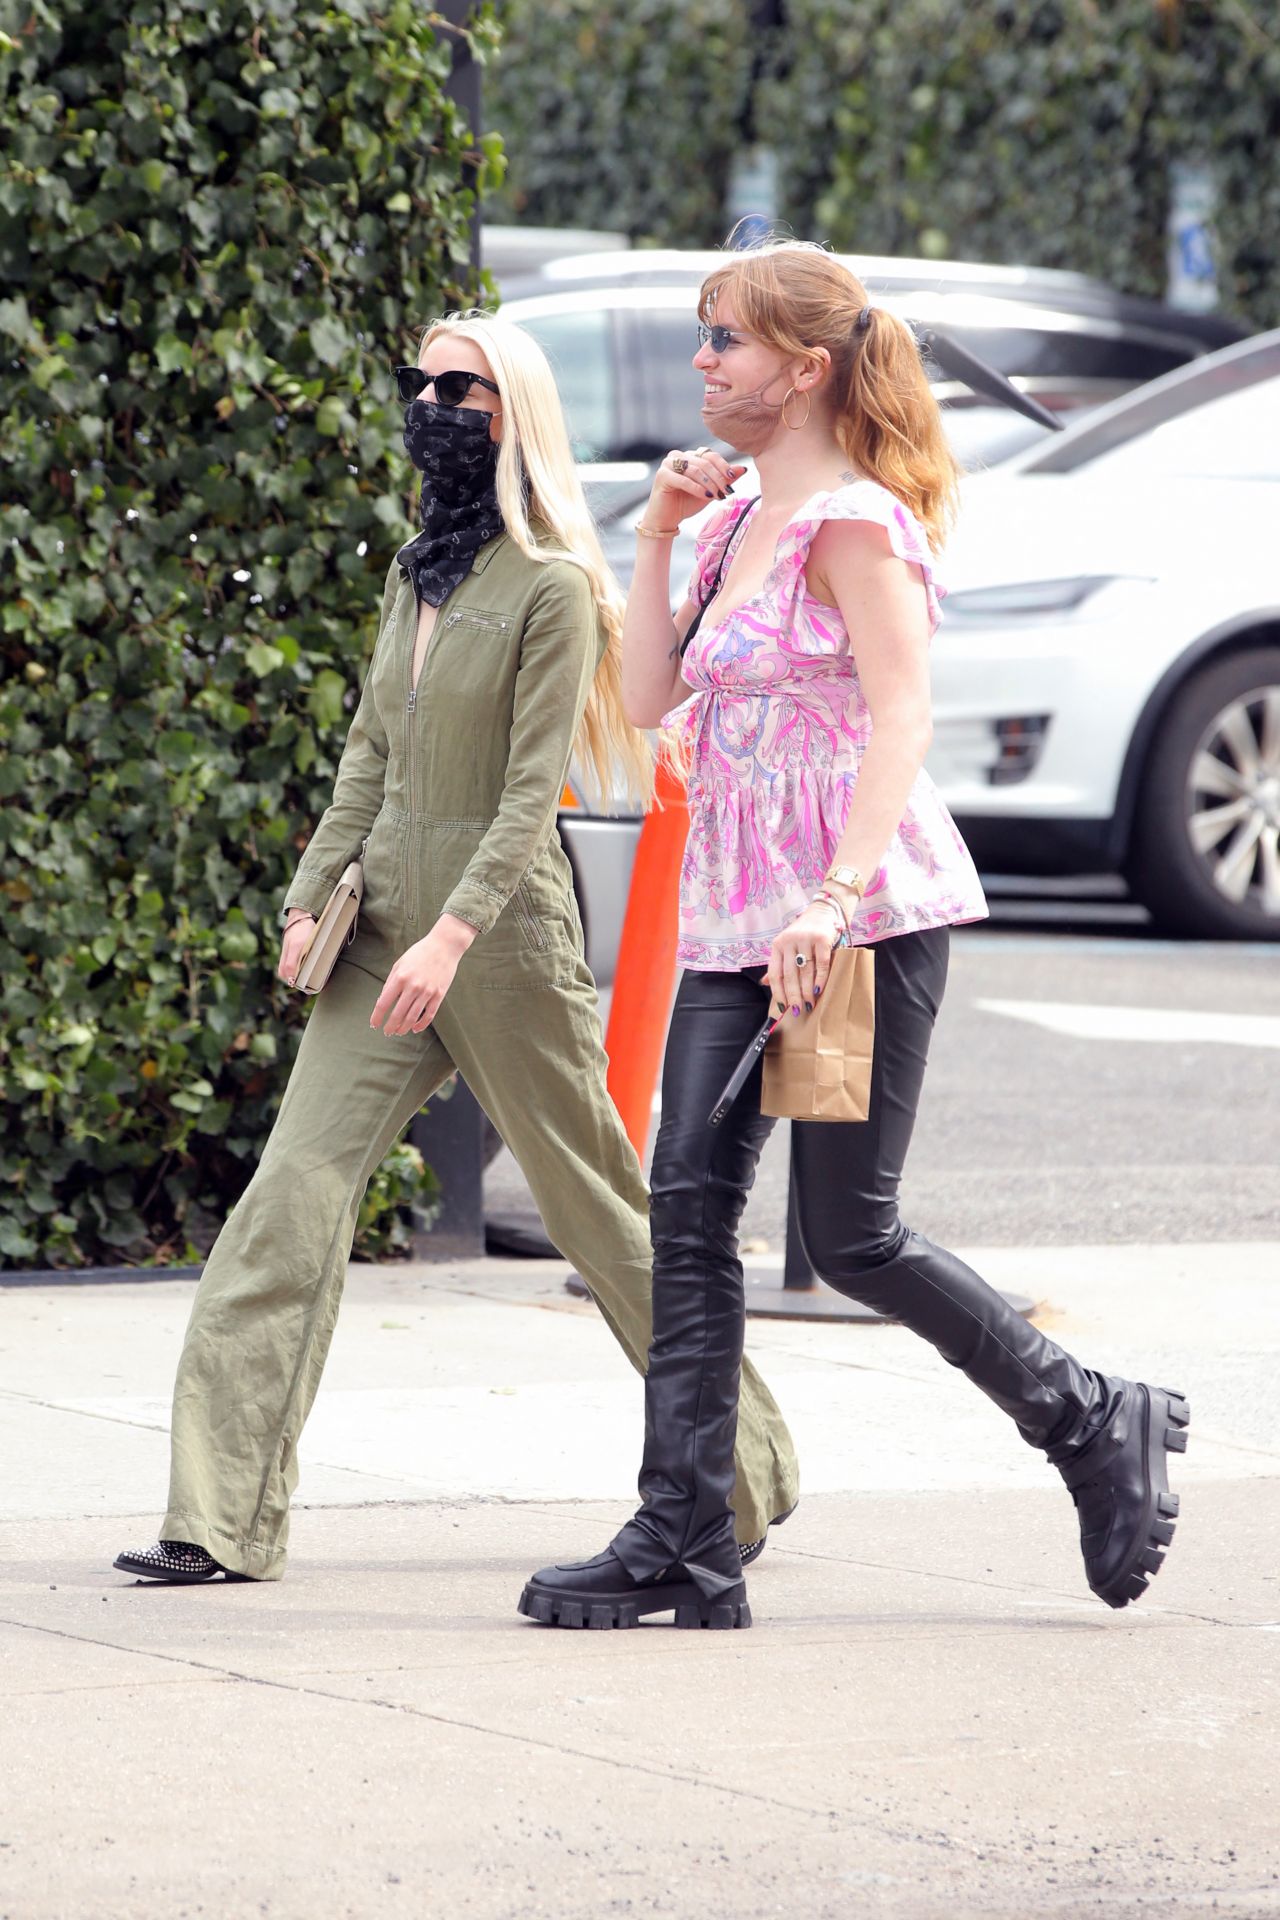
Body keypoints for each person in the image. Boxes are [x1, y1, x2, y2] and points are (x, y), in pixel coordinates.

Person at [519, 244, 1189, 1632]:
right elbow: (644, 697)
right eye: (705, 337)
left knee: (854, 1232)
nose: (703, 363)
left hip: (858, 912)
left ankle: (1091, 1417)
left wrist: (830, 902)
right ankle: (686, 1538)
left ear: (807, 370)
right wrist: (650, 534)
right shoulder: (715, 528)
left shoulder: (859, 525)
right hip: (730, 917)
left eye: (729, 343)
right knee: (689, 1214)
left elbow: (900, 719)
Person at [114, 310, 798, 1585]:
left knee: (599, 1215)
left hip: (500, 945)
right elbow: (371, 752)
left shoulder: (550, 589)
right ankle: (216, 1521)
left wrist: (453, 933)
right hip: (380, 931)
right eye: (420, 378)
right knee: (286, 1205)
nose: (432, 399)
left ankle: (746, 1469)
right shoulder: (412, 571)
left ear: (511, 414)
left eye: (461, 385)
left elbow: (529, 791)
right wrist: (314, 896)